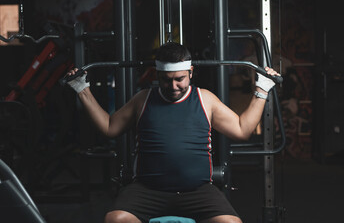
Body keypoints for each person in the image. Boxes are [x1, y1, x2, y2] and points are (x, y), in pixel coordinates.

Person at [66, 42, 280, 223]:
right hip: (147, 190)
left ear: (191, 72)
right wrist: (81, 90)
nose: (174, 85)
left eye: (180, 78)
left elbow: (242, 131)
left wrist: (261, 89)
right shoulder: (143, 99)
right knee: (116, 219)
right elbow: (110, 128)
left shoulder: (206, 99)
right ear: (158, 74)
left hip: (198, 191)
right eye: (166, 79)